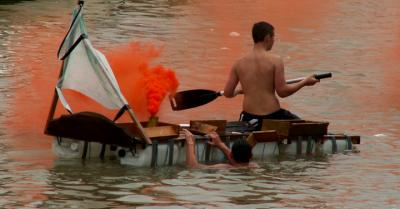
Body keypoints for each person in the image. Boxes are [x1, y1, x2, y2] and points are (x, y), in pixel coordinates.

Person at [223, 21, 320, 130]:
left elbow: (227, 93)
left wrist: (238, 91)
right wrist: (304, 82)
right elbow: (282, 92)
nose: (274, 41)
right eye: (273, 37)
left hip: (249, 118)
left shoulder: (238, 63)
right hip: (273, 116)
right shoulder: (275, 61)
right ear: (268, 37)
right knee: (307, 129)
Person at [183, 129, 258, 169]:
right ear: (251, 156)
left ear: (231, 154)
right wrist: (220, 144)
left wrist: (190, 143)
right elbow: (237, 163)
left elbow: (193, 166)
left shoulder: (226, 167)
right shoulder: (254, 166)